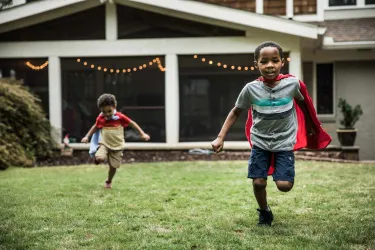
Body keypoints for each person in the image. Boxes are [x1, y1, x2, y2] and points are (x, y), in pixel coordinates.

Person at [211, 41, 331, 226]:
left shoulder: (291, 84)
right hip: (260, 142)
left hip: (284, 142)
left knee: (284, 186)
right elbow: (236, 111)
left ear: (282, 62)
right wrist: (220, 137)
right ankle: (264, 211)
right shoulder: (251, 89)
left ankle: (281, 176)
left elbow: (303, 103)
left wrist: (309, 126)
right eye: (264, 61)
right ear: (256, 64)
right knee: (259, 182)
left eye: (275, 60)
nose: (270, 66)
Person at [81, 93, 150, 189]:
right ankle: (98, 158)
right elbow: (95, 127)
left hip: (117, 146)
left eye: (109, 111)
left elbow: (132, 123)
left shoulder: (120, 117)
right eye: (104, 112)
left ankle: (109, 180)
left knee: (113, 167)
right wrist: (87, 137)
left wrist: (142, 134)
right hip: (104, 144)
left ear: (114, 106)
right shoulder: (101, 118)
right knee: (100, 158)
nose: (107, 114)